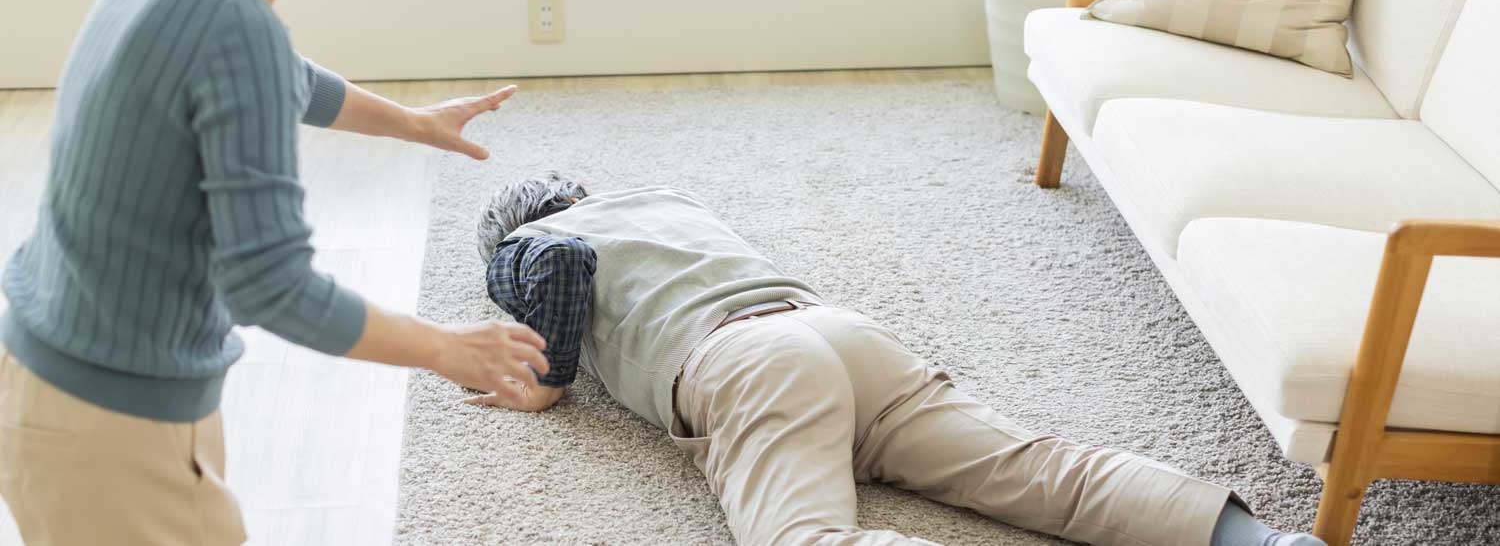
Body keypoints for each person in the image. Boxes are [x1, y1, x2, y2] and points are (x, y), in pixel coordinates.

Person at [0, 0, 550, 544]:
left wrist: (415, 122)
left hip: (45, 383)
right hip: (112, 426)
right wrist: (445, 347)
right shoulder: (235, 26)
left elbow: (290, 80)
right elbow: (271, 284)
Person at [472, 173, 1327, 546]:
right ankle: (1257, 539)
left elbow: (556, 268)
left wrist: (548, 382)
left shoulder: (534, 241)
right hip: (843, 334)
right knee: (1034, 468)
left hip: (746, 365)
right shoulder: (667, 202)